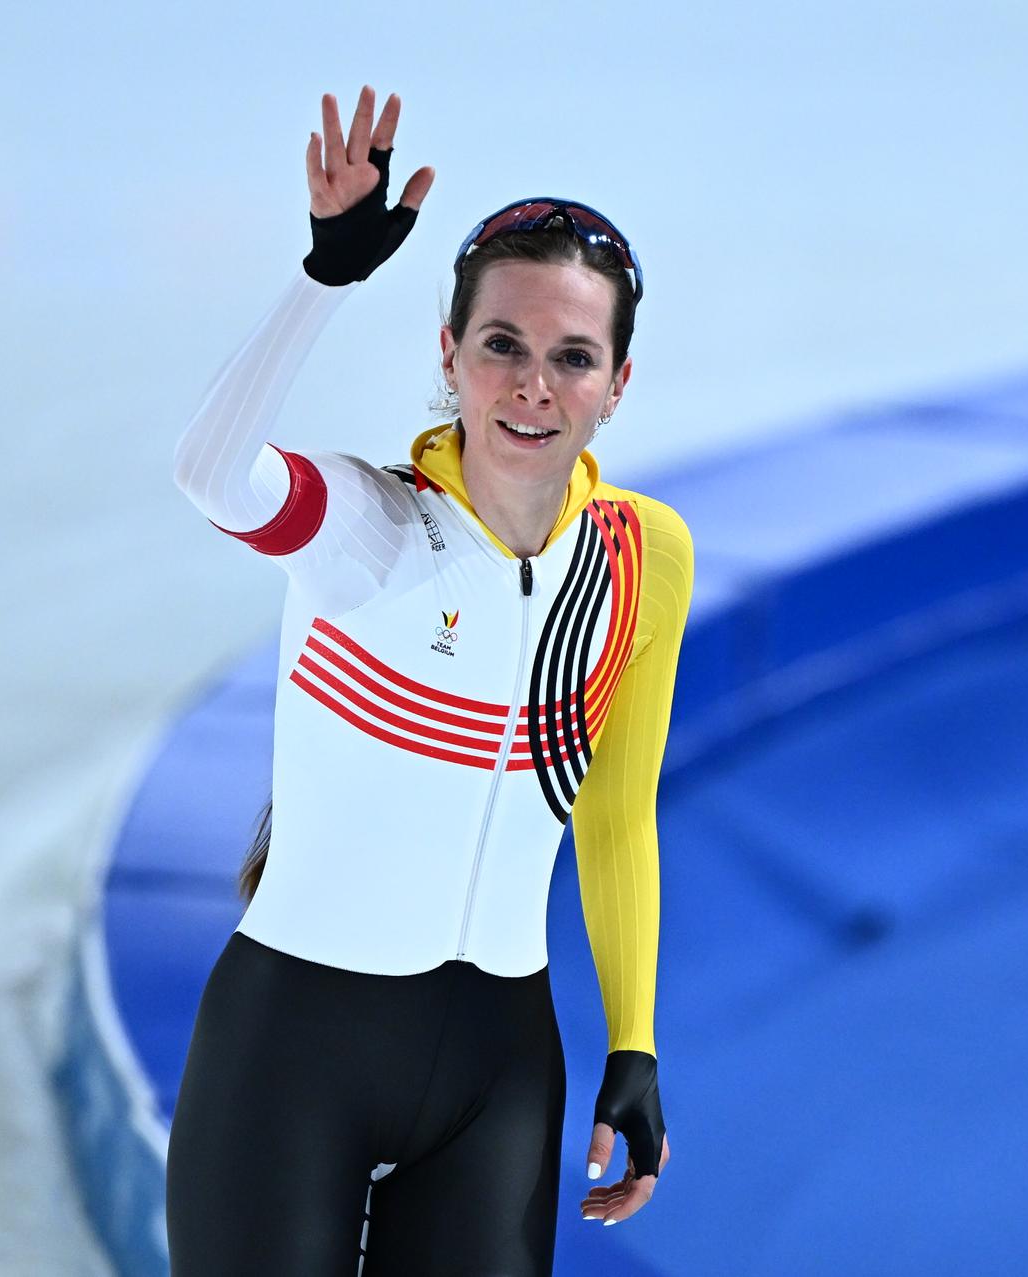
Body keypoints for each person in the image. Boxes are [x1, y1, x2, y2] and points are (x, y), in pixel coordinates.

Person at [162, 85, 693, 1276]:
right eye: (501, 345)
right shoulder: (368, 526)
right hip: (292, 1055)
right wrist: (324, 276)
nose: (532, 386)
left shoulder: (644, 554)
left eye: (573, 357)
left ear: (618, 382)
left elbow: (616, 808)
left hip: (501, 1068)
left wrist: (635, 1044)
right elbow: (207, 470)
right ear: (448, 353)